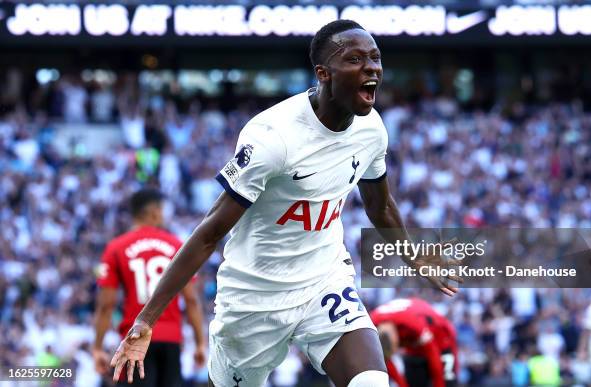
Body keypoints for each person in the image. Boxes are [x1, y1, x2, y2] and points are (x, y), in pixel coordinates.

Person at [110, 20, 459, 387]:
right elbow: (209, 233)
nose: (371, 67)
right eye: (355, 59)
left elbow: (380, 204)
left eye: (375, 58)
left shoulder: (371, 129)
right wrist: (146, 320)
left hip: (324, 279)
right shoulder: (274, 138)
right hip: (255, 295)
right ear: (323, 74)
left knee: (371, 381)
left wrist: (412, 254)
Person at [93, 188, 207, 387]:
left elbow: (106, 305)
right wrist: (199, 343)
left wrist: (98, 347)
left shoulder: (116, 247)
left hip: (134, 337)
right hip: (171, 340)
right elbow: (191, 300)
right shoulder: (177, 245)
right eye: (162, 210)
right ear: (154, 212)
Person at [371, 298, 458, 387]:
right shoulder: (371, 324)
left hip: (441, 338)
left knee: (447, 381)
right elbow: (386, 358)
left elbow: (433, 356)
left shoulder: (413, 324)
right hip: (414, 344)